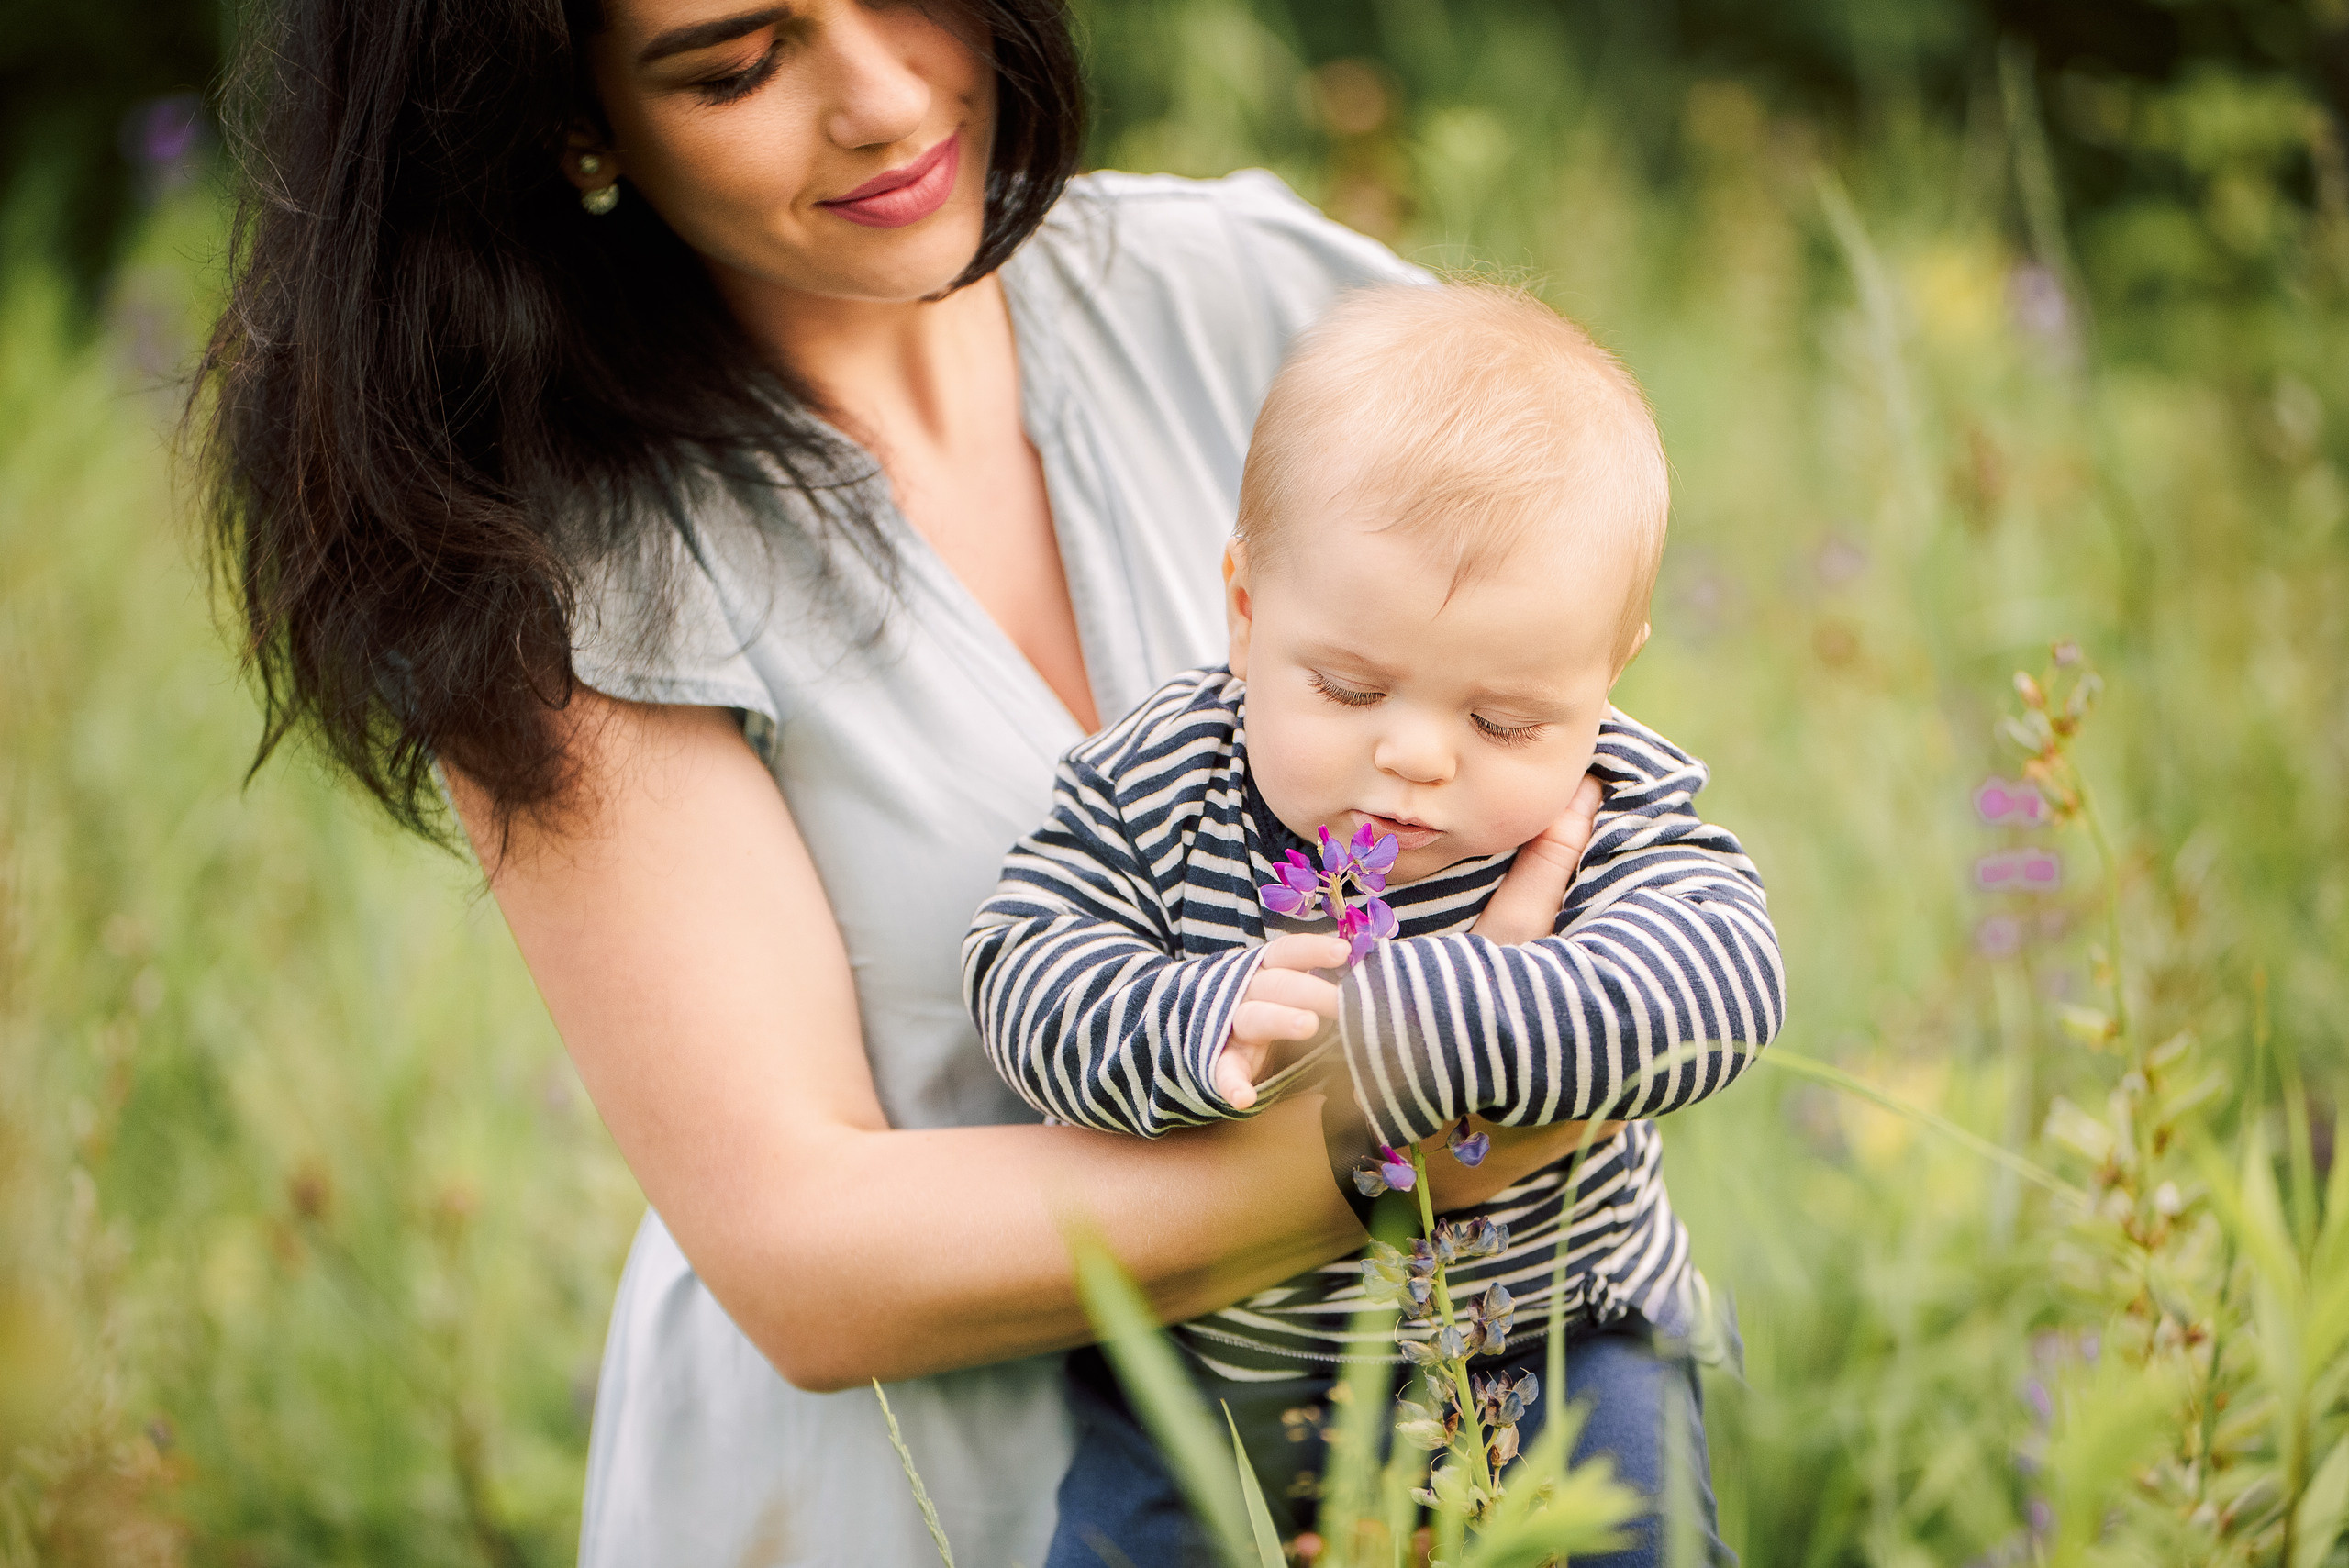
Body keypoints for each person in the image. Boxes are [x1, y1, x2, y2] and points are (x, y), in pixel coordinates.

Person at [193, 1, 1615, 1562]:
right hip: (901, 1502)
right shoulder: (546, 552)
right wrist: (1440, 1125)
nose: (883, 102)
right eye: (736, 64)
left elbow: (1576, 831)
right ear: (570, 117)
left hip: (1407, 1480)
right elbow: (807, 1255)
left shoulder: (1288, 309)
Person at [965, 284, 1785, 1565]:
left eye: (1502, 719)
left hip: (1548, 1338)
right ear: (1244, 611)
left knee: (1635, 1532)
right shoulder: (1159, 781)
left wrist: (1440, 1014)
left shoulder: (1600, 799)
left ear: (1606, 673)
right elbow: (1022, 968)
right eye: (1349, 686)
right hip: (1218, 1372)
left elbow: (1725, 982)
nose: (1412, 756)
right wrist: (1188, 1016)